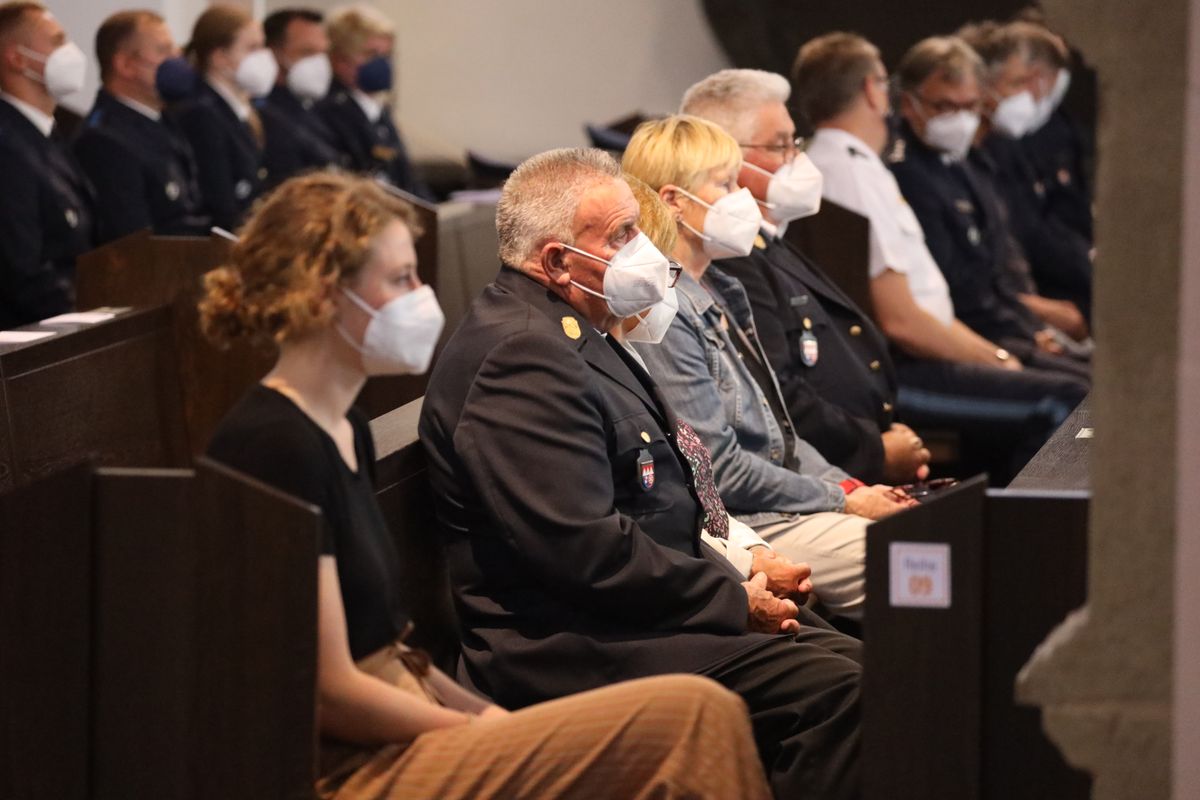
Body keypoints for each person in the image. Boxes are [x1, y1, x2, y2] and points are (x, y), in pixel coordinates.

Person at [201, 170, 771, 800]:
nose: (423, 296)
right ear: (322, 296)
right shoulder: (271, 443)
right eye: (399, 280)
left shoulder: (345, 430)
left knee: (697, 712)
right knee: (694, 714)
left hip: (415, 713)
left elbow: (396, 652)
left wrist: (481, 720)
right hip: (350, 763)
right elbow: (331, 691)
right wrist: (482, 726)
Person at [420, 147, 863, 800]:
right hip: (568, 644)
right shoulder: (523, 356)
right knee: (840, 691)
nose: (645, 250)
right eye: (622, 235)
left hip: (633, 611)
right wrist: (729, 597)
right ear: (555, 262)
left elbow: (664, 504)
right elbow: (584, 549)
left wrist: (742, 571)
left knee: (863, 660)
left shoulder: (571, 329)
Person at [622, 114, 914, 621]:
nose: (743, 198)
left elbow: (783, 438)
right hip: (749, 518)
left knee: (927, 535)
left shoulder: (723, 287)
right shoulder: (664, 311)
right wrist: (841, 499)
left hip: (787, 502)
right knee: (913, 561)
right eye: (727, 183)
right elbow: (719, 468)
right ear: (672, 201)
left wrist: (851, 487)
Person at [796, 32, 1089, 479]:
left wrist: (996, 356)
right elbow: (902, 321)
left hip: (930, 356)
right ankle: (1025, 540)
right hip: (905, 374)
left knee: (1081, 390)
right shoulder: (845, 171)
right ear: (875, 91)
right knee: (1067, 402)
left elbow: (928, 300)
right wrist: (996, 360)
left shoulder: (860, 165)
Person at [681, 67, 930, 484]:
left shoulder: (770, 240)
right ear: (724, 157)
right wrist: (872, 449)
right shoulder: (728, 255)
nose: (796, 159)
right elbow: (776, 393)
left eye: (794, 143)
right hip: (825, 468)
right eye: (780, 146)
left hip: (854, 452)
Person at [617, 172, 818, 598]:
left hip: (731, 537)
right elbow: (665, 509)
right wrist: (745, 566)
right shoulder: (626, 348)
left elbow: (779, 438)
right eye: (725, 182)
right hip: (702, 569)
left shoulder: (636, 342)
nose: (665, 285)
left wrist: (750, 550)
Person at [958, 20, 1093, 326]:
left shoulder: (998, 151)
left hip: (1018, 304)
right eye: (1018, 83)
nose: (1030, 94)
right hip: (993, 314)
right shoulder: (948, 161)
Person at [74, 9, 209, 243]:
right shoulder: (104, 140)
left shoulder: (164, 119)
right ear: (126, 65)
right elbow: (132, 242)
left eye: (175, 49)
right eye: (163, 50)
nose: (178, 58)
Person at [0, 1, 94, 329]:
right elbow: (24, 271)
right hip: (35, 335)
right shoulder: (7, 145)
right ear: (17, 58)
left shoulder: (49, 130)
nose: (70, 52)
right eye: (57, 41)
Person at [317, 5, 432, 200]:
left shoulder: (379, 112)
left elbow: (406, 179)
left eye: (386, 55)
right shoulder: (329, 113)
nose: (382, 63)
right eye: (371, 54)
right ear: (340, 58)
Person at [176, 4, 274, 231]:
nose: (263, 57)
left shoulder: (239, 108)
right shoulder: (200, 113)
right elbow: (220, 202)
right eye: (252, 48)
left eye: (262, 46)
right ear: (220, 56)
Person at [260, 7, 345, 185]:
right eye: (307, 52)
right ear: (275, 52)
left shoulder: (318, 107)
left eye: (323, 53)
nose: (318, 63)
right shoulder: (264, 112)